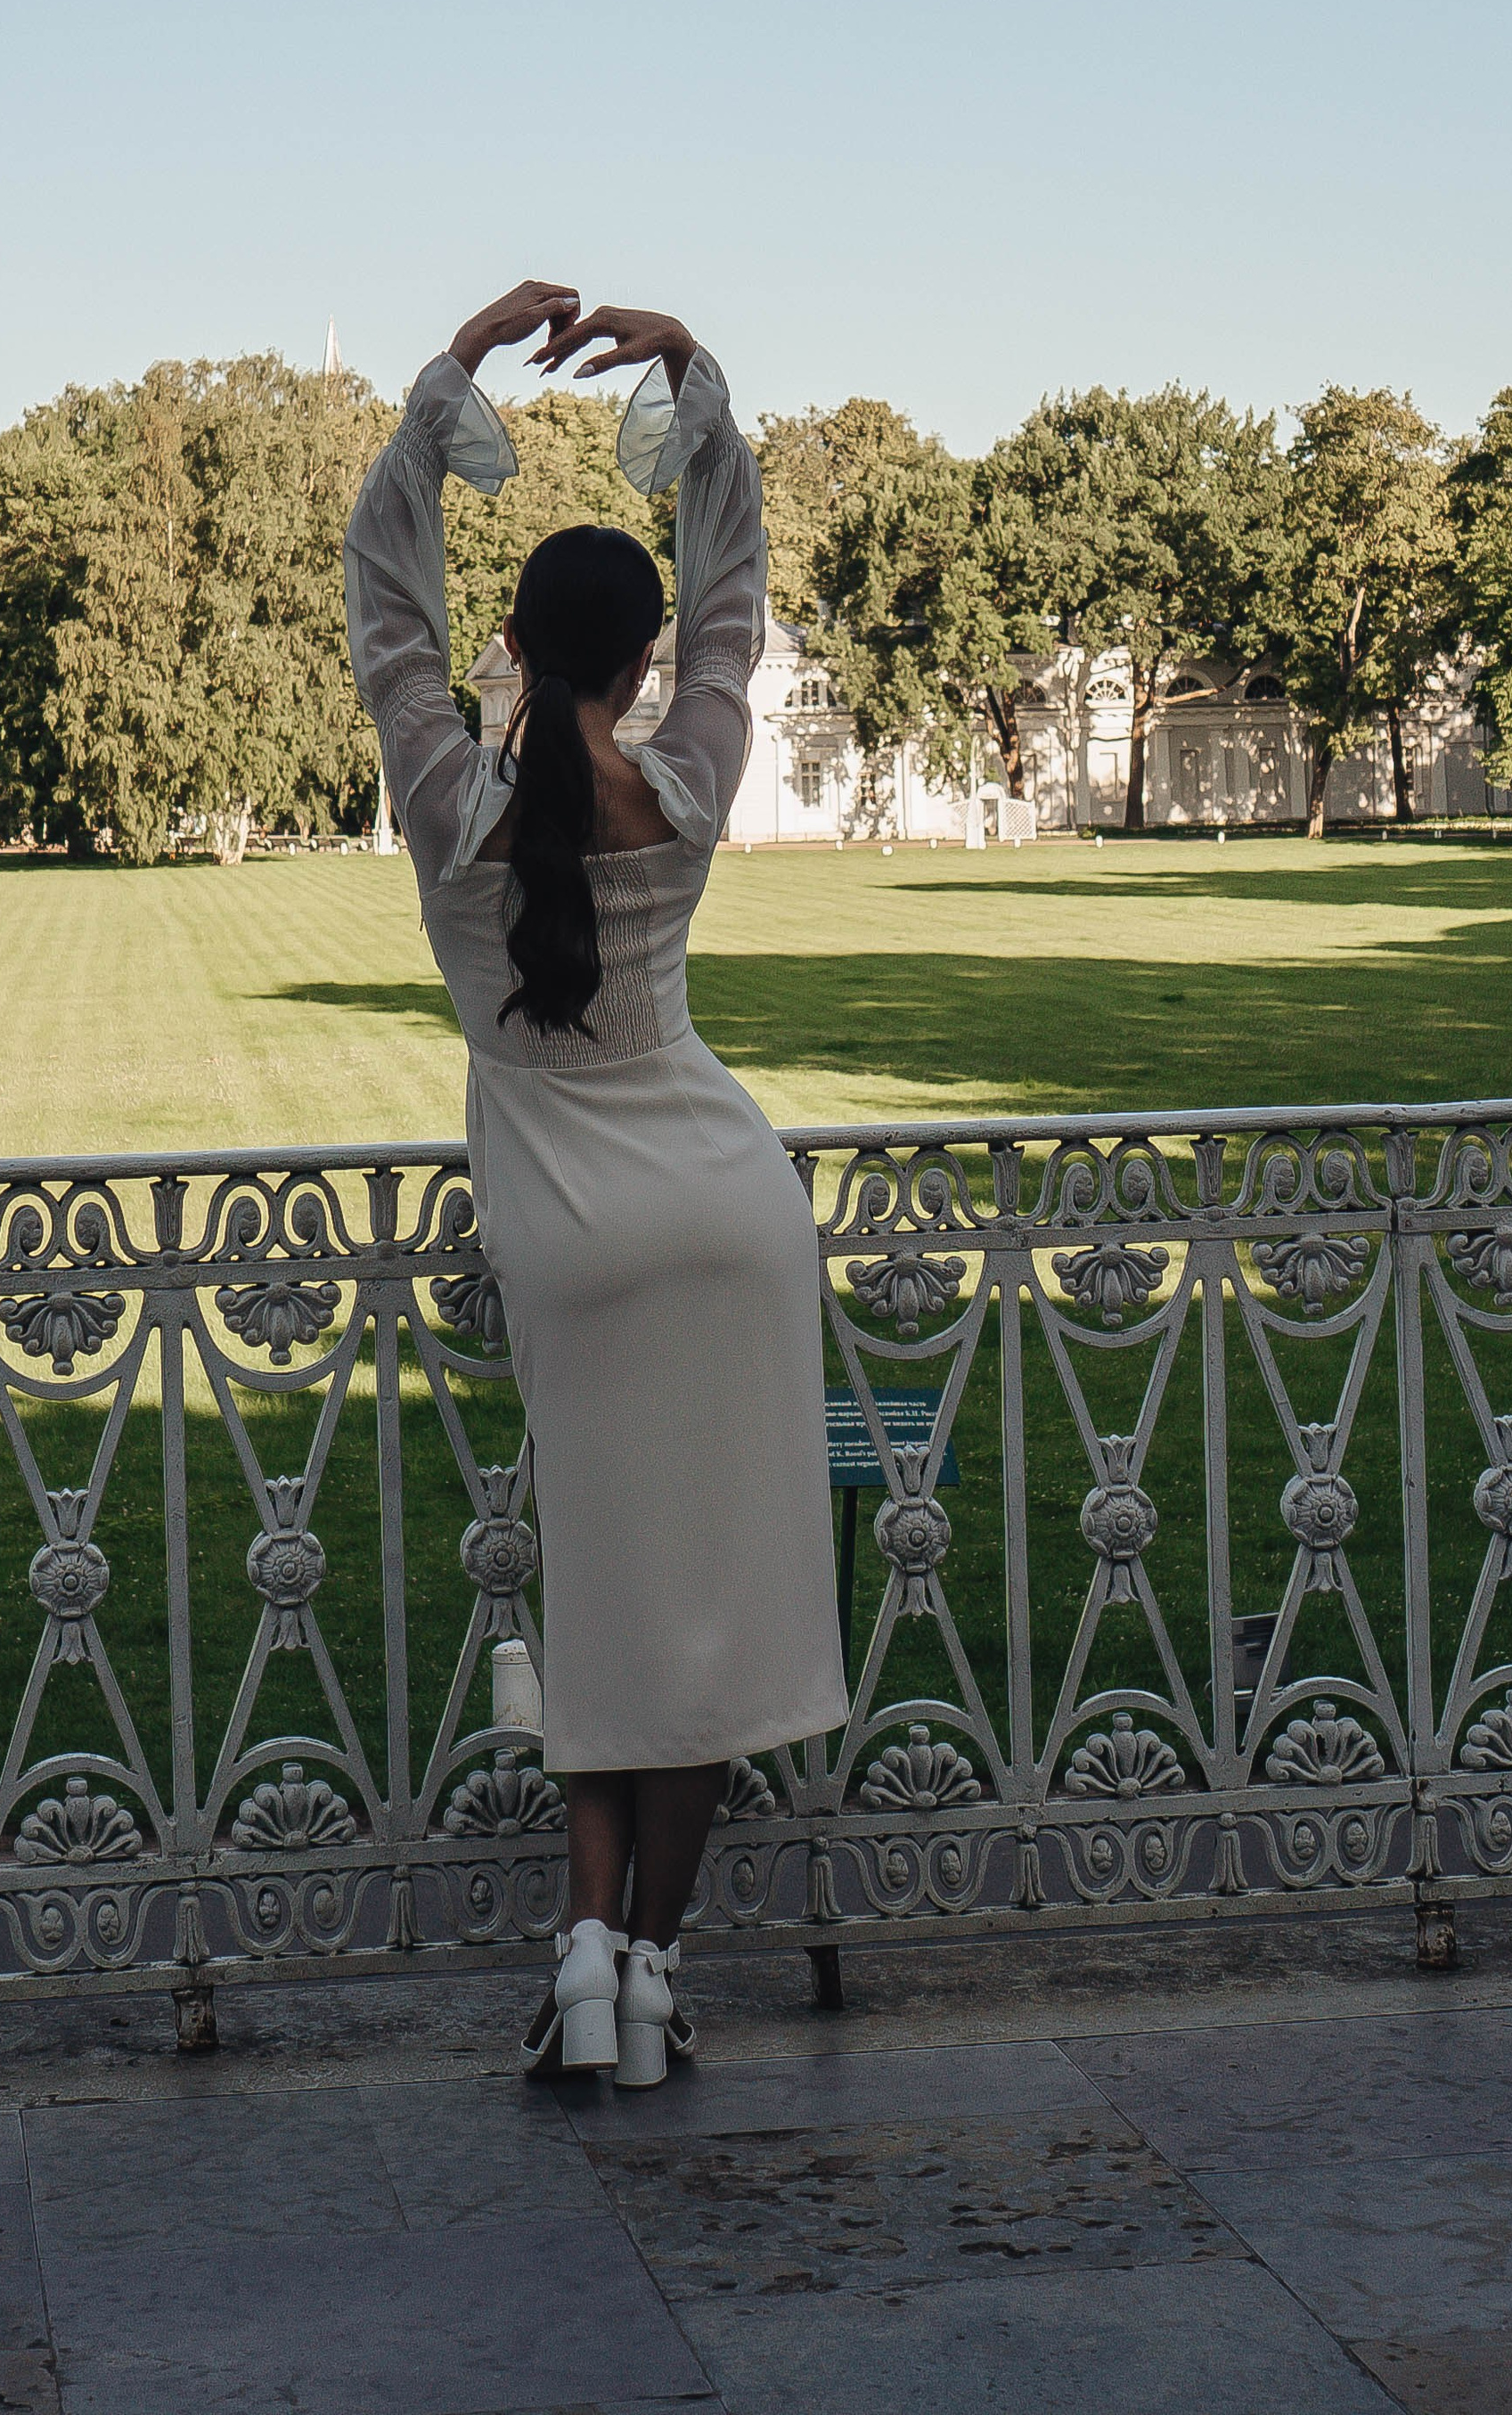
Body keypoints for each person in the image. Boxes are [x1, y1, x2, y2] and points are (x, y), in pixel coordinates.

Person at [344, 280, 848, 2087]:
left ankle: (577, 1953)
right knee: (707, 1623)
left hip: (570, 1248)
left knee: (604, 1605)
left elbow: (375, 591)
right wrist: (694, 379)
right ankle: (645, 1966)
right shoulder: (691, 782)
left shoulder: (445, 800)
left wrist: (447, 382)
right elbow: (737, 595)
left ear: (510, 640)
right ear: (636, 665)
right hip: (727, 1216)